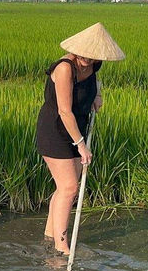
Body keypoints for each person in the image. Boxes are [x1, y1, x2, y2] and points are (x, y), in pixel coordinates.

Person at [36, 23, 125, 255]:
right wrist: (81, 145)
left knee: (63, 188)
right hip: (56, 131)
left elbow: (93, 83)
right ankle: (61, 248)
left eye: (93, 56)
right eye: (84, 54)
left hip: (78, 128)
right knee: (69, 188)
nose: (87, 58)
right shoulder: (65, 68)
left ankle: (49, 236)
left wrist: (97, 95)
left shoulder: (94, 66)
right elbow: (65, 111)